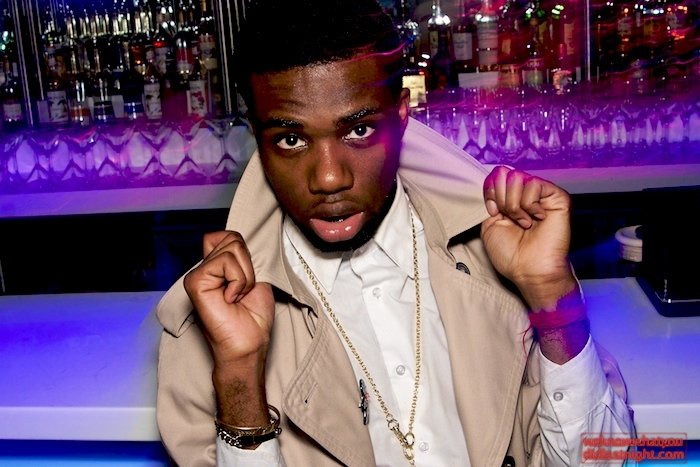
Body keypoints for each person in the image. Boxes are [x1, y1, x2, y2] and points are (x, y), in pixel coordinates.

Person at [155, 0, 635, 465]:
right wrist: (240, 378)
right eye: (291, 139)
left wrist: (552, 297)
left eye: (359, 131)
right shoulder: (211, 324)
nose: (329, 178)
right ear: (256, 138)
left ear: (402, 115)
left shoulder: (500, 257)